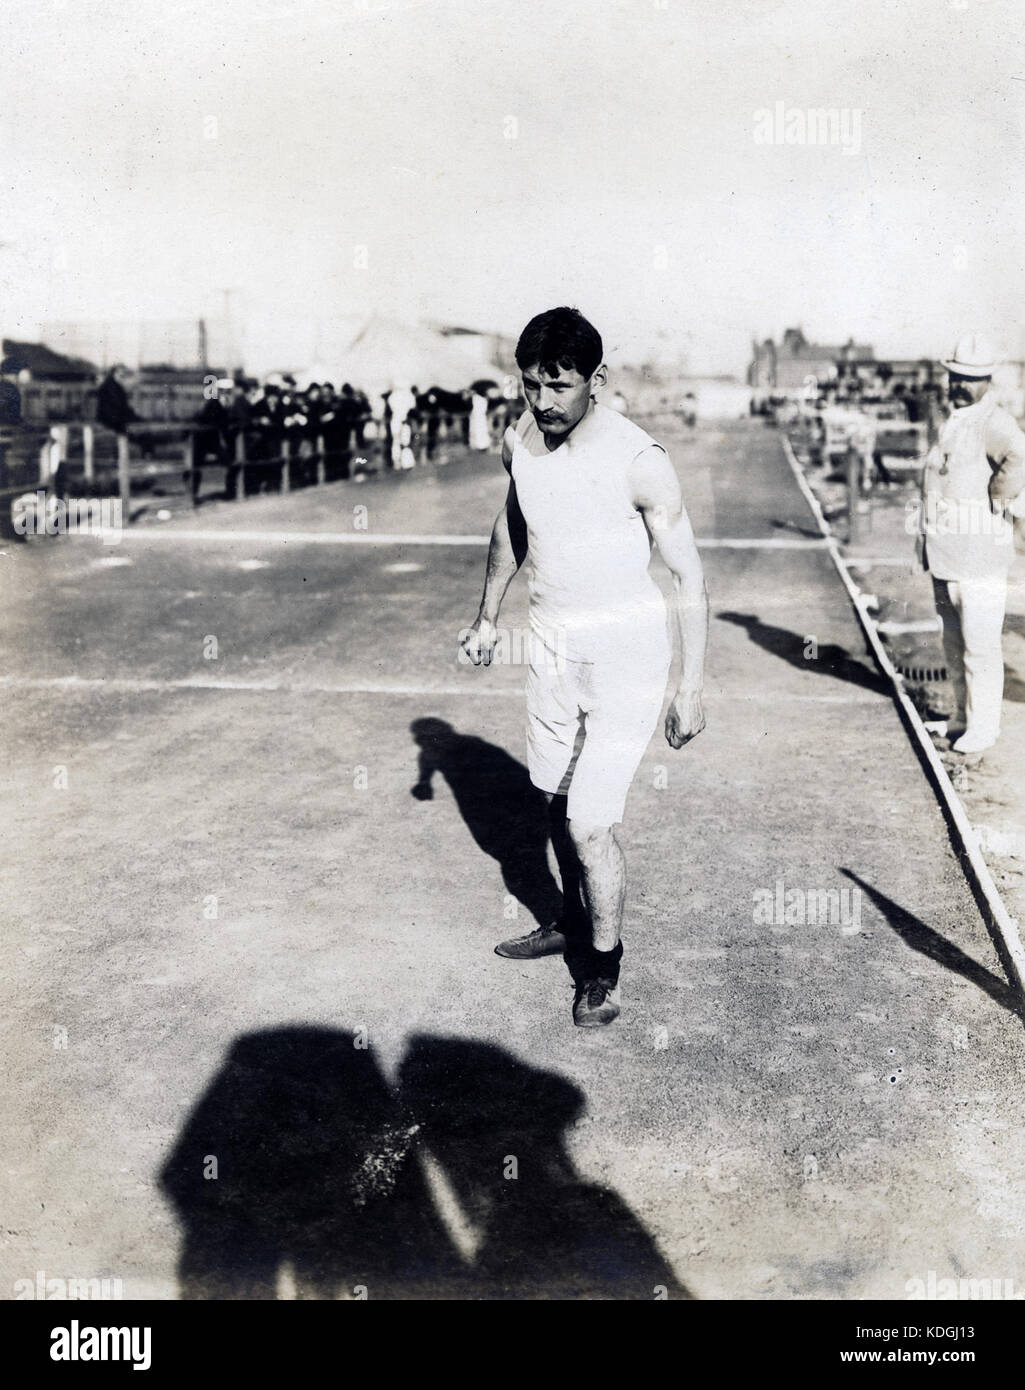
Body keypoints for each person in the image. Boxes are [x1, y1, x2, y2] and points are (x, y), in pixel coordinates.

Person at [461, 307, 708, 1028]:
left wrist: (689, 687)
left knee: (590, 824)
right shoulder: (520, 441)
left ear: (597, 379)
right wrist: (487, 615)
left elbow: (688, 577)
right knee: (554, 800)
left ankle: (602, 971)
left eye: (559, 386)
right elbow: (516, 522)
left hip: (626, 659)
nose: (543, 402)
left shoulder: (640, 462)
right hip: (550, 650)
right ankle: (569, 920)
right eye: (531, 385)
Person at [918, 334, 1025, 755]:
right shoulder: (955, 419)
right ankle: (962, 716)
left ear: (987, 381)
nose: (960, 385)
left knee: (980, 647)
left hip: (979, 557)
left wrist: (1000, 498)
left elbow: (1020, 456)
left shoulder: (993, 420)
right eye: (955, 377)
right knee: (954, 644)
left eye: (970, 379)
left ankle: (985, 726)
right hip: (947, 555)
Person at [95, 365, 140, 434]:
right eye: (121, 375)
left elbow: (121, 405)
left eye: (123, 376)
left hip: (111, 415)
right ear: (114, 374)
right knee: (133, 426)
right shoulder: (110, 386)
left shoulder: (114, 385)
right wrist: (131, 414)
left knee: (136, 422)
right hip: (109, 417)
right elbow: (118, 404)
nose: (122, 378)